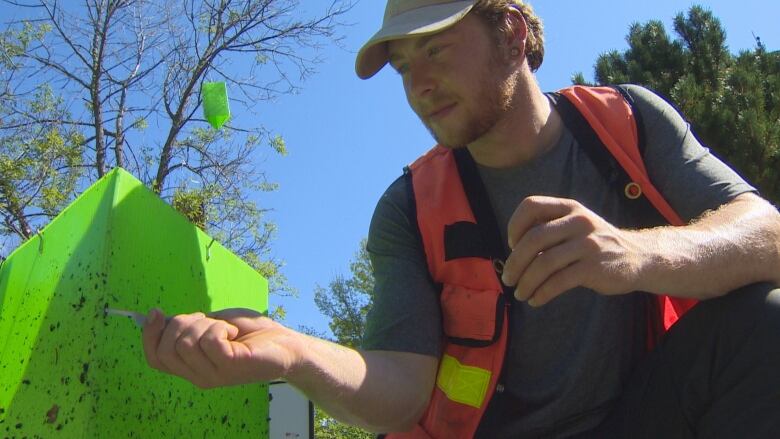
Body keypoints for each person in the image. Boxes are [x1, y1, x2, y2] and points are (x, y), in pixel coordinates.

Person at [142, 1, 780, 437]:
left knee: (765, 319)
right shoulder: (407, 210)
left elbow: (767, 233)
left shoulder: (629, 120)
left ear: (511, 32)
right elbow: (402, 385)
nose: (418, 84)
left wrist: (637, 256)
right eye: (403, 67)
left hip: (648, 415)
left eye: (437, 50)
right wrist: (292, 353)